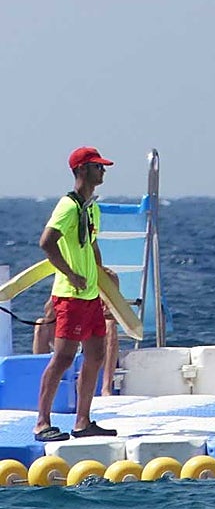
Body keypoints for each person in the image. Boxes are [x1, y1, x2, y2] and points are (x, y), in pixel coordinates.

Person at [33, 147, 120, 441]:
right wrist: (71, 274)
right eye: (97, 166)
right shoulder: (68, 206)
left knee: (95, 354)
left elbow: (91, 243)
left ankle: (83, 421)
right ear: (82, 169)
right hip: (70, 296)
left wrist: (100, 275)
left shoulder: (92, 208)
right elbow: (47, 242)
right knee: (63, 357)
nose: (103, 171)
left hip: (90, 295)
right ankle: (42, 422)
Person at [33, 292, 120, 396]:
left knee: (110, 325)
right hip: (70, 325)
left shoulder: (106, 284)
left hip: (93, 329)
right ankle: (38, 383)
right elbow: (49, 313)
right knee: (41, 325)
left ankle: (106, 388)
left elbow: (114, 314)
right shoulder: (66, 284)